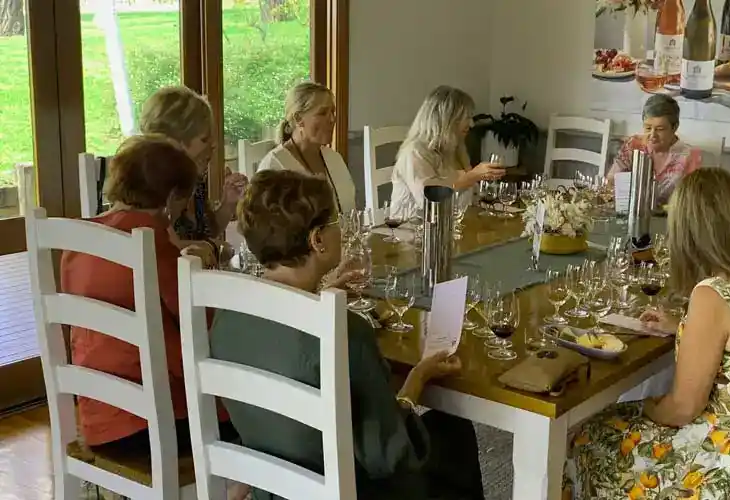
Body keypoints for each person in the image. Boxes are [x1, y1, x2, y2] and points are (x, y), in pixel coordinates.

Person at [211, 170, 485, 500]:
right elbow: (388, 455)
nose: (341, 228)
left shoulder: (226, 316)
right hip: (346, 490)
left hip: (274, 488)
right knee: (454, 433)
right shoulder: (342, 330)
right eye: (335, 220)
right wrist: (417, 378)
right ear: (317, 240)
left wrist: (320, 291)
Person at [563, 168, 730, 500]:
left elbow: (681, 408)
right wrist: (685, 325)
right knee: (615, 417)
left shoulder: (713, 294)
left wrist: (647, 405)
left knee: (585, 434)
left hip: (723, 468)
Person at [60, 135, 236, 451]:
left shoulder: (79, 239)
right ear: (170, 197)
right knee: (257, 412)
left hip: (97, 416)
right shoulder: (148, 241)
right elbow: (200, 322)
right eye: (183, 199)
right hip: (151, 423)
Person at [139, 86, 248, 243]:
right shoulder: (153, 189)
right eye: (204, 139)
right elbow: (163, 249)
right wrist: (213, 248)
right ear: (173, 143)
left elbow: (208, 230)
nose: (213, 145)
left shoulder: (195, 178)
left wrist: (228, 204)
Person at [389, 85, 505, 220]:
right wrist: (472, 176)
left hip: (453, 228)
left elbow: (468, 197)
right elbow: (428, 200)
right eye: (466, 117)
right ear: (447, 119)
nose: (472, 124)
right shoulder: (414, 153)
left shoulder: (456, 148)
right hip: (412, 233)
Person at [258, 81, 355, 213]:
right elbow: (268, 229)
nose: (332, 119)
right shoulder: (275, 165)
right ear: (298, 119)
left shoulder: (334, 159)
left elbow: (349, 210)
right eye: (322, 113)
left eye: (333, 111)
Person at [605, 94, 702, 207]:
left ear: (675, 127)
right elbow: (611, 182)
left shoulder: (690, 157)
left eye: (660, 129)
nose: (652, 135)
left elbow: (692, 202)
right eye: (647, 128)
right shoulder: (633, 146)